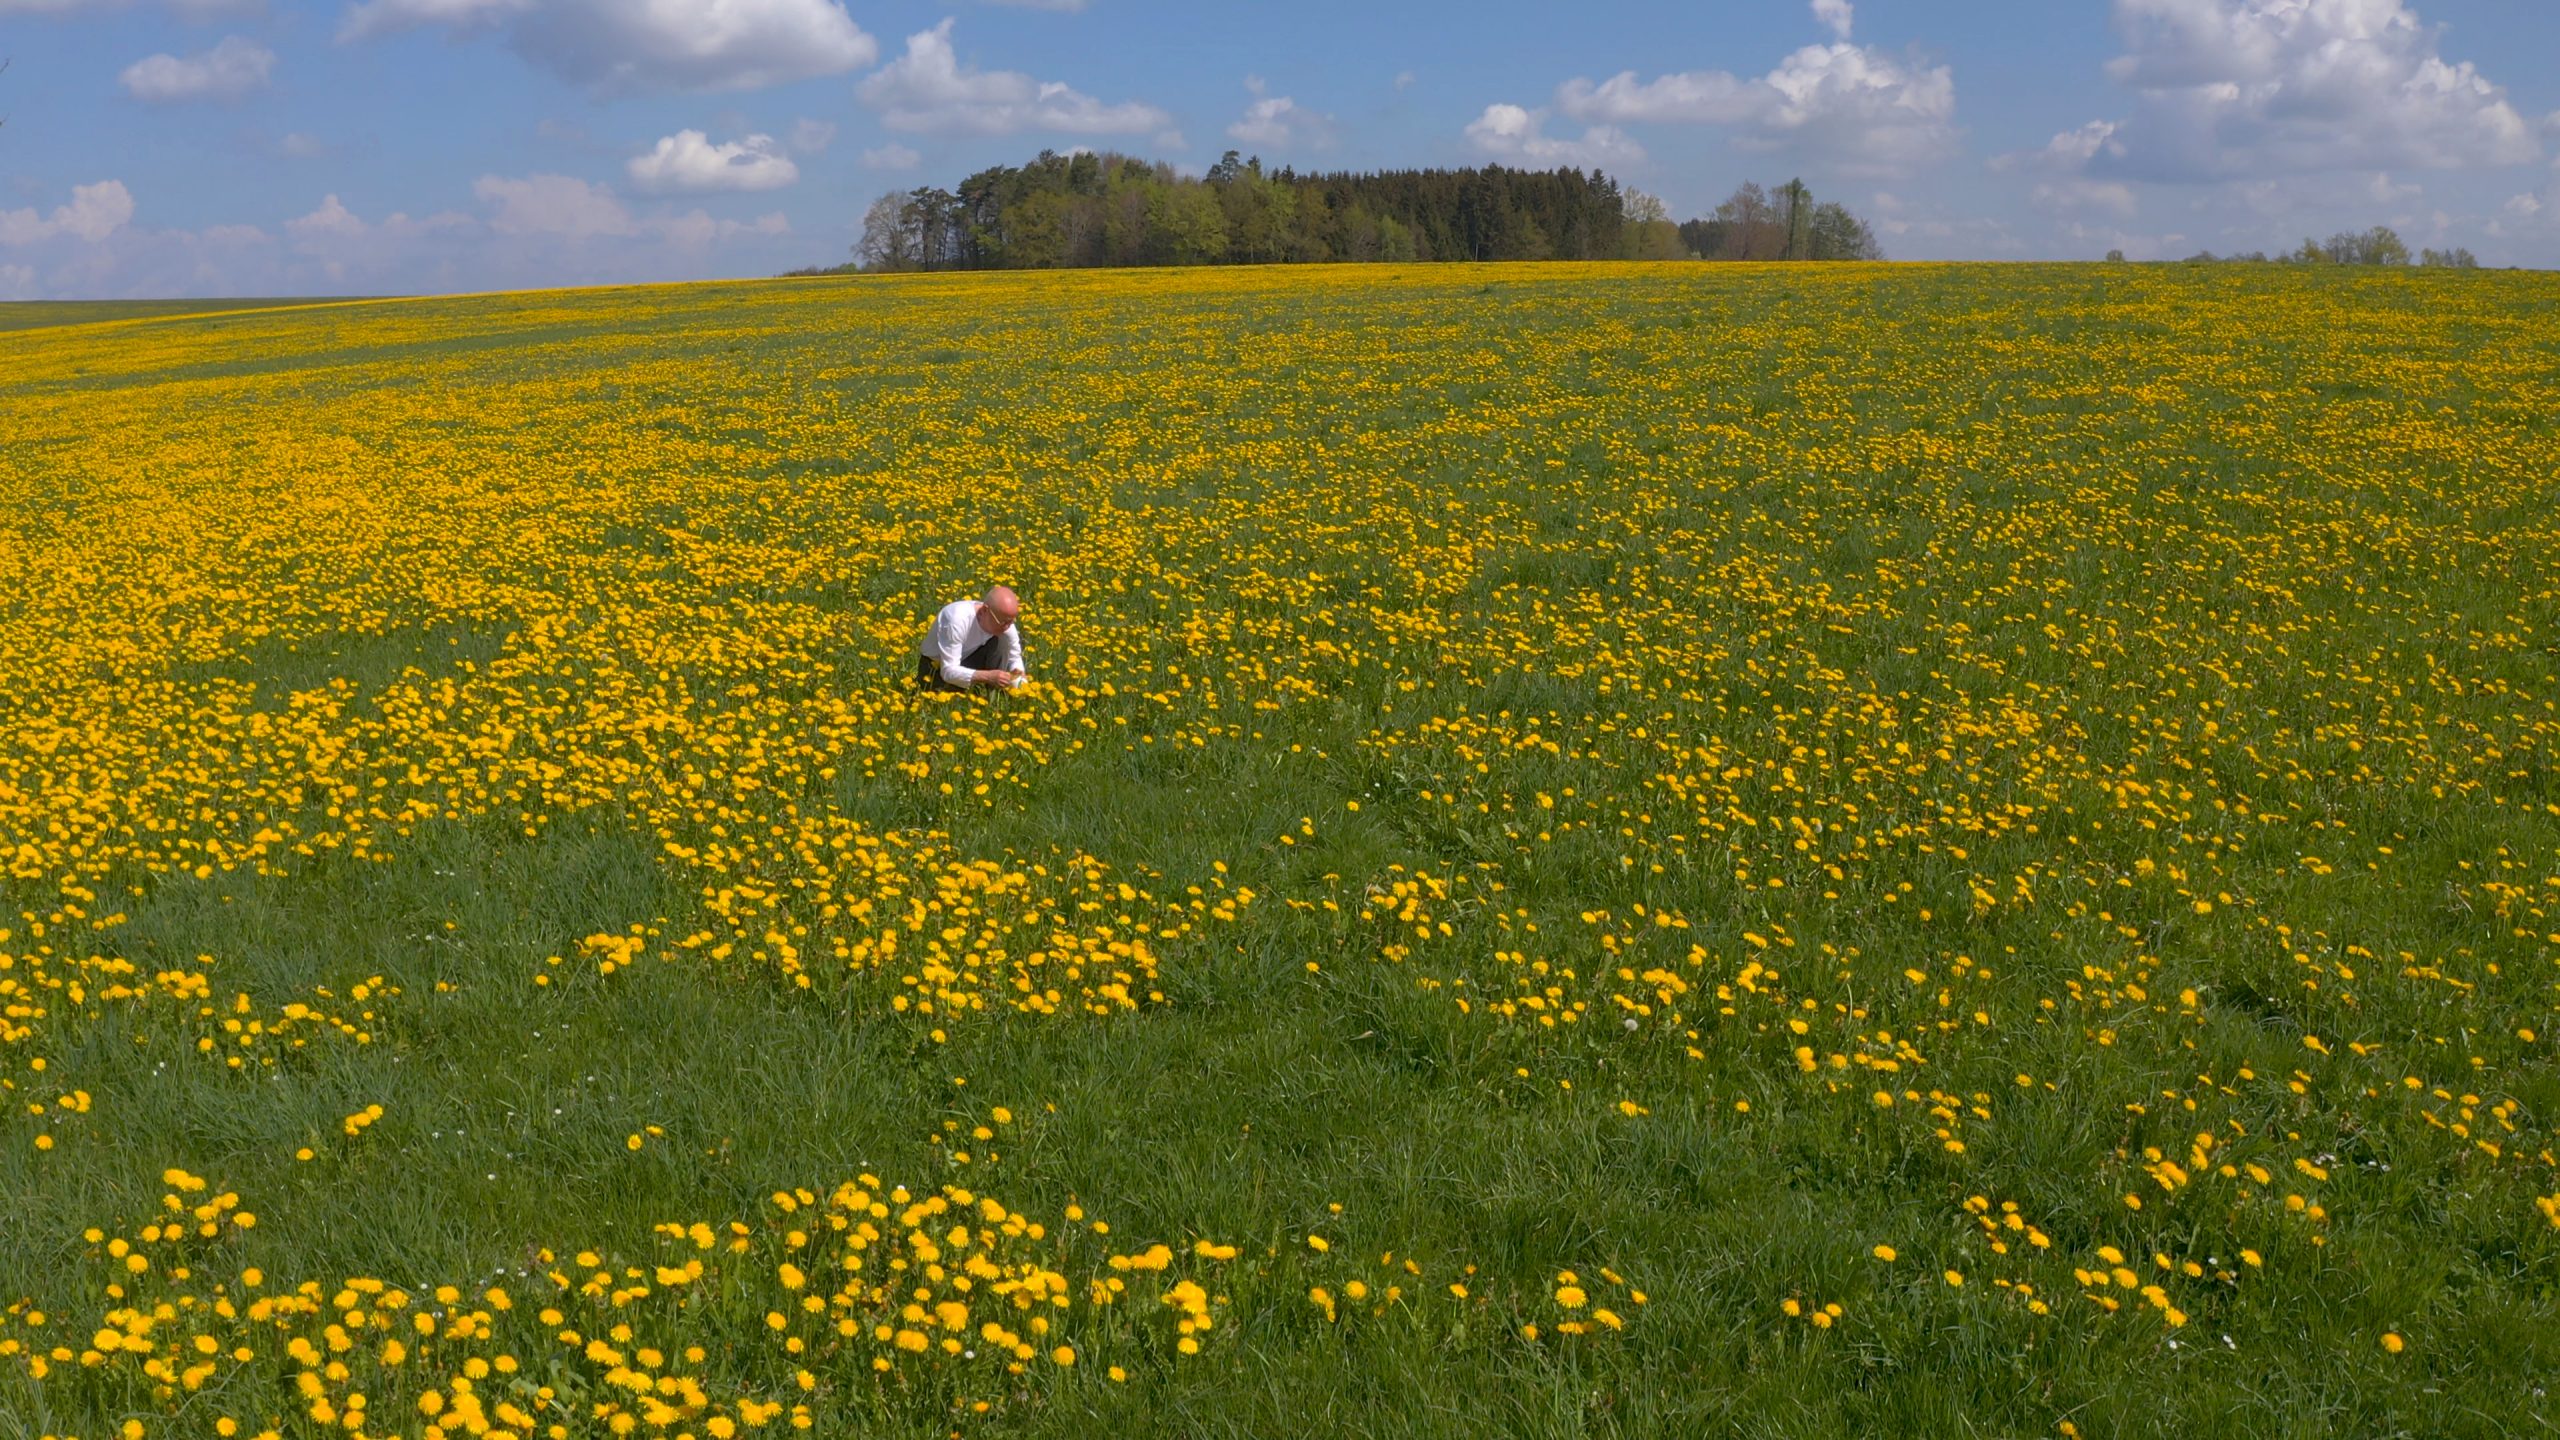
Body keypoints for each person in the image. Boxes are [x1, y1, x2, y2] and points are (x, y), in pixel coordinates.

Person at [916, 584, 1028, 691]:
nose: (1008, 627)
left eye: (1011, 621)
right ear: (984, 610)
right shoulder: (956, 620)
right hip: (936, 666)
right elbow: (948, 671)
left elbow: (1014, 656)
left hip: (970, 657)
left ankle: (993, 696)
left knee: (1002, 643)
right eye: (1003, 622)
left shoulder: (1004, 621)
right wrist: (988, 677)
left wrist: (1020, 681)